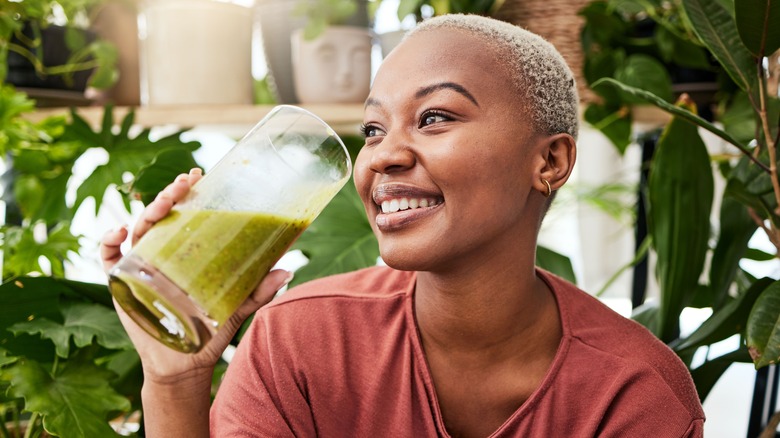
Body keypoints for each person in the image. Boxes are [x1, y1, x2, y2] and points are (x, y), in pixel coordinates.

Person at [101, 14, 705, 437]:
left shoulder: (633, 393)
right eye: (372, 129)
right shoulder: (299, 341)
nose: (384, 154)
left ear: (549, 161)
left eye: (435, 117)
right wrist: (173, 379)